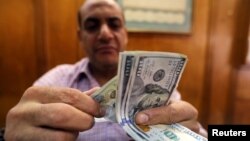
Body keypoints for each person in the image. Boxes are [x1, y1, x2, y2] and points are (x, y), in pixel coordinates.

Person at [3, 0, 207, 140]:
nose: (105, 34)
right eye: (92, 26)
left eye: (114, 24)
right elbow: (23, 120)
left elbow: (201, 132)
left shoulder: (158, 88)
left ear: (125, 33)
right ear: (80, 36)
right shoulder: (56, 79)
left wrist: (193, 132)